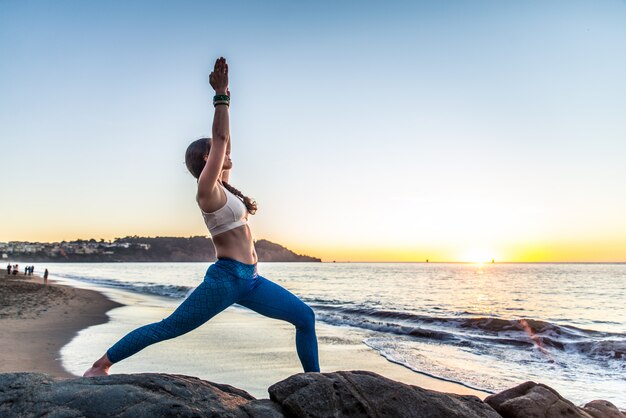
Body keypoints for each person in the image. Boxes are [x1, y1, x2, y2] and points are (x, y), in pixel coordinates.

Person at [83, 57, 320, 377]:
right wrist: (220, 95)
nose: (227, 153)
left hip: (251, 281)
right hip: (225, 280)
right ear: (209, 159)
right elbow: (221, 140)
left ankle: (314, 383)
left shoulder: (226, 188)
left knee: (304, 317)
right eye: (218, 152)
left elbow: (225, 141)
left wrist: (228, 101)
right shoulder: (207, 191)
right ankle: (101, 365)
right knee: (167, 328)